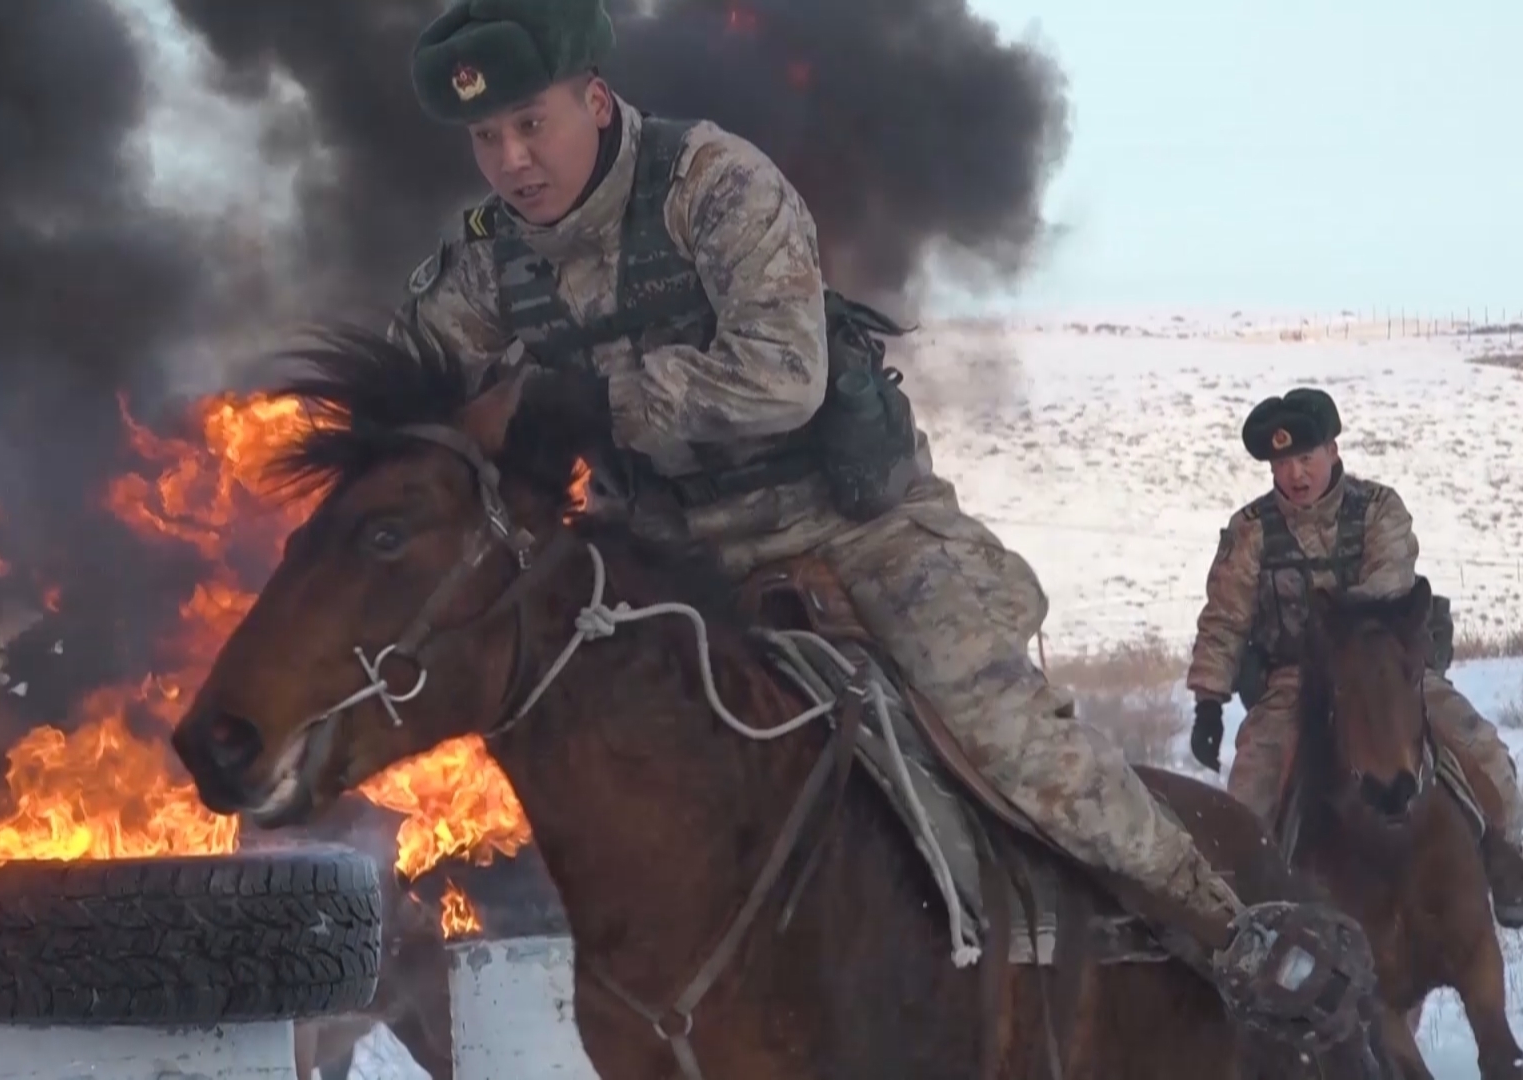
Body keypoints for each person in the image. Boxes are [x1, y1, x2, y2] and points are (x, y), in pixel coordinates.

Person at [387, 0, 1361, 1018]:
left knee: (1005, 734)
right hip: (669, 557)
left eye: (530, 123)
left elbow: (780, 374)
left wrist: (601, 401)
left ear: (592, 100)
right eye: (486, 138)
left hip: (851, 529)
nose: (511, 160)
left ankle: (1228, 931)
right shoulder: (492, 255)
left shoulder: (711, 185)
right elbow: (414, 371)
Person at [1187, 387, 1523, 925]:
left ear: (1333, 450)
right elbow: (1226, 616)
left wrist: (1335, 618)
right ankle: (1242, 916)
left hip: (1386, 672)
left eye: (1306, 457)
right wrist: (1209, 700)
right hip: (1295, 680)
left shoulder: (1378, 509)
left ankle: (1509, 863)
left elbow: (1393, 577)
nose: (1295, 473)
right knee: (1249, 789)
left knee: (1481, 747)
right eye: (1282, 462)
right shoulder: (1250, 530)